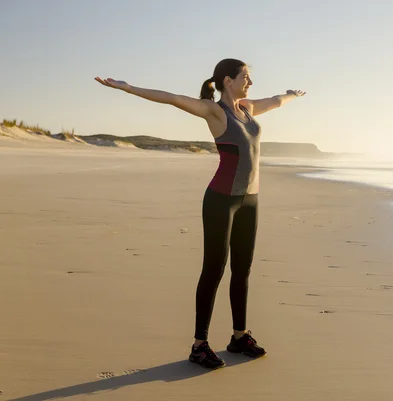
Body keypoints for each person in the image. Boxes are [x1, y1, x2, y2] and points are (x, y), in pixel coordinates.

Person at [95, 58, 305, 369]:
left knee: (243, 269)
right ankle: (199, 345)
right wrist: (128, 89)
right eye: (245, 77)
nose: (250, 82)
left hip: (250, 200)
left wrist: (290, 94)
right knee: (214, 270)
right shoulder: (214, 111)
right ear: (227, 81)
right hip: (221, 201)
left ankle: (238, 336)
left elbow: (276, 101)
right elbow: (170, 98)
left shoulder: (247, 108)